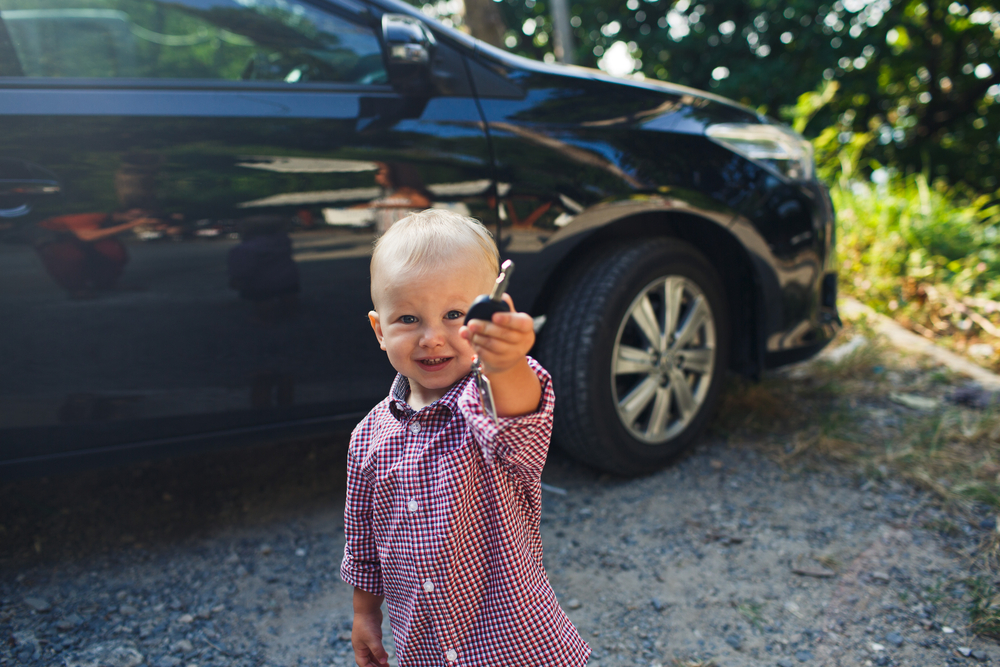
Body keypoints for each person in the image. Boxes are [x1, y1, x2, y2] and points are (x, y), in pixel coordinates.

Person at [340, 209, 590, 666]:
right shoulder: (367, 439)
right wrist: (365, 614)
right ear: (380, 329)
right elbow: (363, 544)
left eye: (455, 315)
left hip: (515, 645)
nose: (432, 338)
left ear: (485, 315)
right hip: (426, 648)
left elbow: (520, 417)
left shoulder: (484, 400)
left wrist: (507, 362)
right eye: (409, 319)